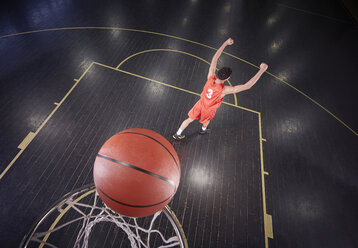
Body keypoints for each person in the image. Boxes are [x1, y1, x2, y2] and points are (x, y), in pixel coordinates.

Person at [172, 38, 268, 140]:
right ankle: (203, 130)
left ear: (218, 72)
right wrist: (262, 70)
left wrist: (225, 43)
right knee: (206, 121)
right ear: (227, 78)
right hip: (209, 109)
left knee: (189, 119)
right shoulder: (223, 90)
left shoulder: (210, 76)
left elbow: (214, 59)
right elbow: (247, 86)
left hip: (200, 103)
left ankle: (177, 133)